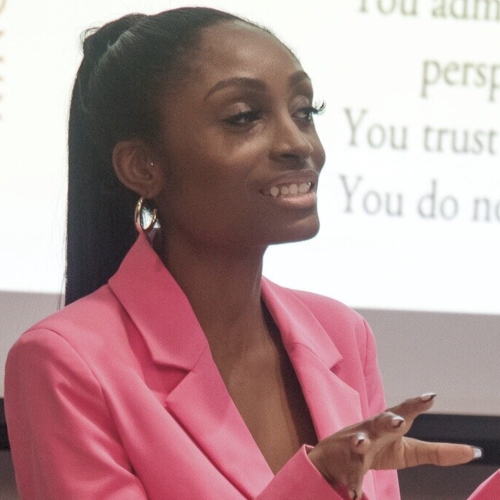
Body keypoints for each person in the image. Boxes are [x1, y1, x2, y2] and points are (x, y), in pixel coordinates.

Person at [4, 7, 498, 500]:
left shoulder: (343, 336)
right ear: (142, 167)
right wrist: (315, 484)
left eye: (305, 111)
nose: (297, 143)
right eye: (244, 117)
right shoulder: (64, 363)